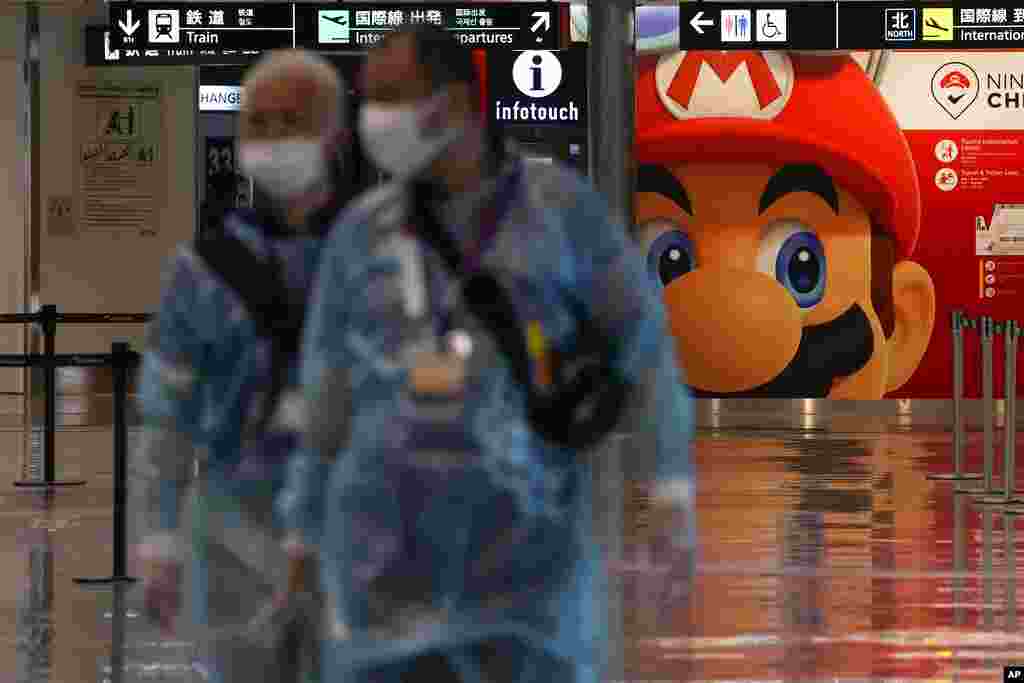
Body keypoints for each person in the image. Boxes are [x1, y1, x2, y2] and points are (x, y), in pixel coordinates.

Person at [277, 25, 696, 683]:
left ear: (452, 103)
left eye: (391, 96)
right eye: (367, 99)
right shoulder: (361, 236)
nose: (372, 120)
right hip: (384, 575)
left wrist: (668, 489)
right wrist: (301, 537)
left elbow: (644, 349)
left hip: (529, 577)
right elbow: (325, 394)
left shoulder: (561, 214)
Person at [131, 49, 354, 683]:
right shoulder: (204, 271)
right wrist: (158, 535)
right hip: (234, 540)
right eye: (260, 123)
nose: (275, 138)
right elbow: (166, 409)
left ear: (333, 134)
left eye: (294, 121)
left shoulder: (378, 255)